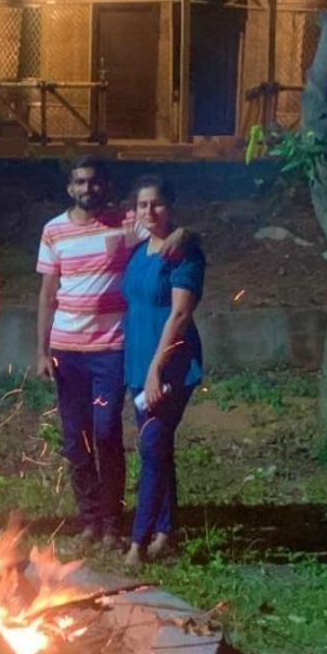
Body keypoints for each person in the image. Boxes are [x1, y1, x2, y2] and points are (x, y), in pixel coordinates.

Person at [35, 156, 185, 546]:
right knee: (75, 439)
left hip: (111, 350)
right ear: (70, 187)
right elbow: (48, 294)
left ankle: (113, 519)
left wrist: (186, 235)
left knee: (105, 433)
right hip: (66, 351)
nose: (88, 189)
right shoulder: (53, 231)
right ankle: (90, 519)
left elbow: (162, 227)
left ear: (105, 185)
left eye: (95, 182)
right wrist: (41, 349)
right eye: (80, 182)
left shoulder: (124, 222)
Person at [122, 175, 205, 567]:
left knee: (151, 448)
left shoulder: (183, 253)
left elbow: (180, 314)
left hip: (170, 363)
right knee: (158, 448)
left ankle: (138, 543)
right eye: (142, 205)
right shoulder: (140, 251)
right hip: (137, 361)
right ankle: (166, 531)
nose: (149, 212)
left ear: (170, 206)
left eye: (156, 204)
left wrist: (156, 370)